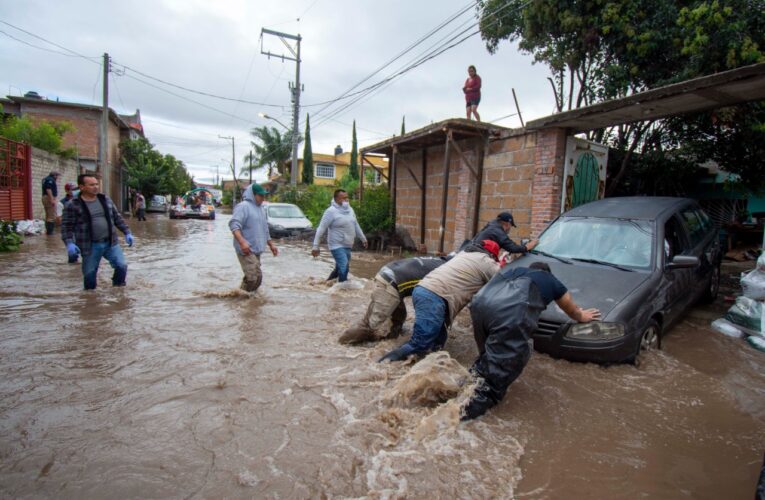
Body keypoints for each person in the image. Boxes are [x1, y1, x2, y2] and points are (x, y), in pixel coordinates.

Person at [461, 262, 601, 420]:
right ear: (547, 272)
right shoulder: (550, 279)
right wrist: (582, 316)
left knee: (487, 356)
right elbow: (571, 308)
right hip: (508, 313)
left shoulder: (512, 271)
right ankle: (458, 418)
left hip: (479, 305)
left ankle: (457, 389)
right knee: (500, 371)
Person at [379, 240, 501, 362]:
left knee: (438, 341)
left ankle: (425, 368)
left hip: (423, 290)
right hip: (434, 297)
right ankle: (382, 364)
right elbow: (504, 280)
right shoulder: (487, 262)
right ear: (492, 255)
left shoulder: (464, 254)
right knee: (420, 344)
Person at [340, 255, 451, 344]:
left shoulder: (438, 260)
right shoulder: (447, 271)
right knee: (369, 326)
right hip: (391, 283)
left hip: (390, 275)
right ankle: (341, 343)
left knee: (399, 318)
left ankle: (390, 341)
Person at [61, 174, 134, 290]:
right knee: (90, 277)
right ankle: (90, 301)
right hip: (90, 245)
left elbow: (117, 217)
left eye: (96, 184)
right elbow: (66, 226)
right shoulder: (73, 204)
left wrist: (127, 232)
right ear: (82, 187)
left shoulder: (105, 199)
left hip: (110, 242)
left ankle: (118, 290)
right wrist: (69, 243)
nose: (96, 187)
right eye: (91, 185)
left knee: (121, 266)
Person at [229, 183, 278, 292]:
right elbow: (233, 225)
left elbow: (265, 229)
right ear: (253, 195)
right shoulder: (243, 207)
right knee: (252, 278)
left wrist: (271, 245)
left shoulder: (261, 209)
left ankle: (245, 297)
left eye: (264, 195)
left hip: (256, 249)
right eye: (260, 195)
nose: (263, 198)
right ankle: (241, 299)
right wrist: (242, 242)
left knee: (258, 278)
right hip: (246, 249)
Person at [311, 189, 368, 283]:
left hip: (348, 244)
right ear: (336, 199)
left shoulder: (350, 210)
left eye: (347, 197)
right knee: (344, 267)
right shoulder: (331, 211)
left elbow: (355, 224)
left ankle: (326, 284)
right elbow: (321, 228)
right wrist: (315, 246)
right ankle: (342, 289)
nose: (347, 200)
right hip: (336, 245)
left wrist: (363, 238)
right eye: (344, 198)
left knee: (339, 269)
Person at [473, 211, 538, 256]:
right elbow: (512, 247)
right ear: (508, 224)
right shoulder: (497, 231)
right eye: (511, 225)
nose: (510, 228)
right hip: (477, 257)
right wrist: (527, 247)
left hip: (469, 252)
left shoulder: (491, 225)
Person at [41, 171, 60, 235]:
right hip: (48, 198)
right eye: (57, 176)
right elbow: (48, 189)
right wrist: (52, 199)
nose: (57, 177)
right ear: (54, 175)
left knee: (48, 215)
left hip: (45, 197)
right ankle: (50, 232)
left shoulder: (46, 179)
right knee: (51, 216)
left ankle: (48, 231)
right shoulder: (50, 180)